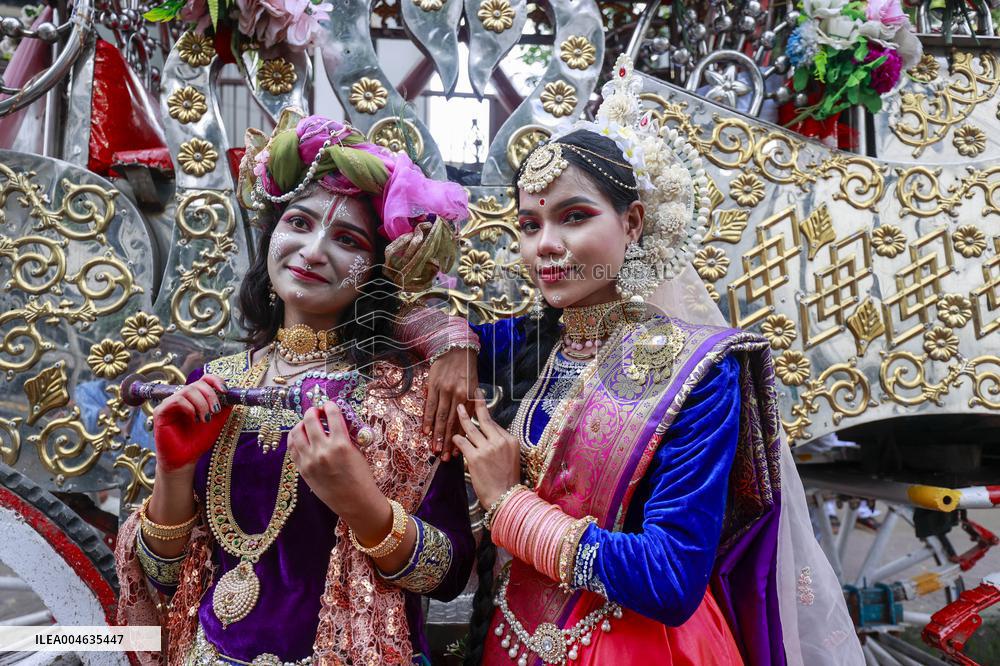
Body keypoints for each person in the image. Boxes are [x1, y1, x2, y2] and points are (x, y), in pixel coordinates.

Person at [451, 56, 863, 666]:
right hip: (511, 639)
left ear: (633, 222)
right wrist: (448, 340)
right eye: (529, 223)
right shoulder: (536, 344)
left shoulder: (699, 372)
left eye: (574, 216)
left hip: (640, 647)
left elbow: (670, 578)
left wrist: (508, 504)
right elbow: (409, 337)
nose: (546, 245)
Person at [113, 109, 479, 666]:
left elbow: (450, 573)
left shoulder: (405, 395)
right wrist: (173, 471)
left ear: (377, 272)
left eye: (348, 239)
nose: (312, 251)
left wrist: (364, 506)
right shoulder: (214, 385)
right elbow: (164, 577)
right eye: (300, 224)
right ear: (271, 235)